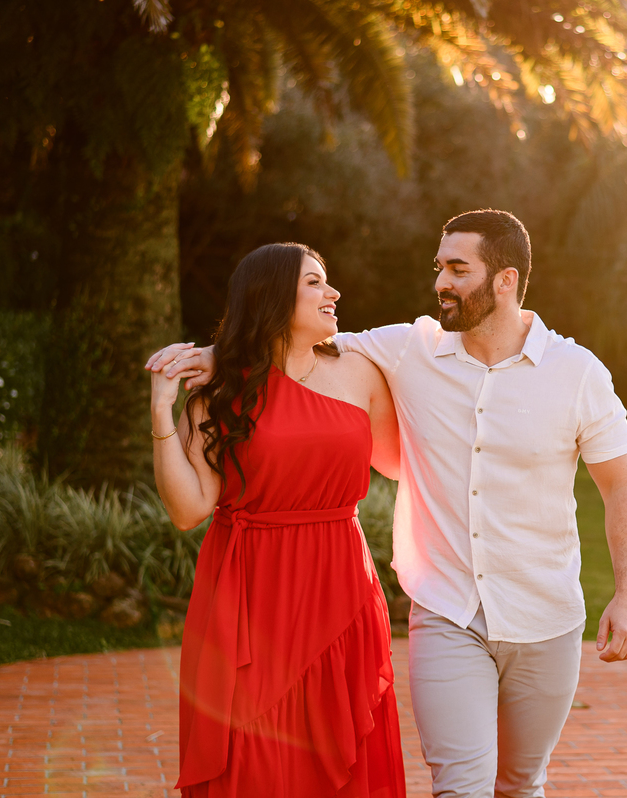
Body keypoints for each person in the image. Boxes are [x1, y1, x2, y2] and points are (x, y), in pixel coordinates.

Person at [153, 209, 627, 798]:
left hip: (538, 611)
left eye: (457, 269)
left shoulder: (576, 372)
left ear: (506, 279)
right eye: (439, 267)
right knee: (460, 786)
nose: (441, 282)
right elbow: (284, 355)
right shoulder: (404, 350)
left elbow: (620, 485)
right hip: (440, 609)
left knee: (520, 783)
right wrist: (216, 361)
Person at [146, 242, 406, 798]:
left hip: (341, 588)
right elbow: (189, 509)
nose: (333, 293)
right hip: (251, 596)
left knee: (340, 744)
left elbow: (406, 464)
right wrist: (160, 411)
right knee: (256, 753)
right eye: (314, 282)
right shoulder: (217, 395)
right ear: (270, 297)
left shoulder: (360, 373)